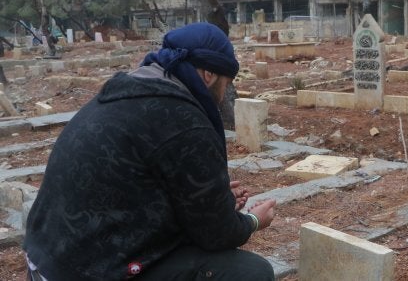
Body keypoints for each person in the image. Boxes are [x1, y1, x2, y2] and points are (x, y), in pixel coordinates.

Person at [23, 22, 277, 281]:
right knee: (250, 273)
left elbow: (136, 189)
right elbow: (218, 235)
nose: (222, 96)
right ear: (208, 75)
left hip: (47, 262)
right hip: (88, 273)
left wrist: (212, 201)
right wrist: (252, 221)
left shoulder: (125, 92)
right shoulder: (182, 119)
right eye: (226, 83)